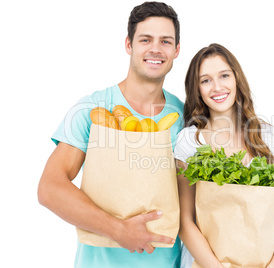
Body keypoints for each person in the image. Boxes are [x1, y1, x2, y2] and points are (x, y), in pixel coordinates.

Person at [38, 2, 183, 267]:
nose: (155, 48)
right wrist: (118, 230)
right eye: (145, 39)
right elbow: (49, 188)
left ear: (176, 50)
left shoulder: (184, 118)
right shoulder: (91, 108)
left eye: (165, 41)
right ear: (128, 44)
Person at [174, 43, 274, 268]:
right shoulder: (191, 141)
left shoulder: (270, 138)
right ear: (197, 89)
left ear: (237, 79)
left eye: (224, 75)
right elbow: (185, 221)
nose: (217, 87)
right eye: (205, 80)